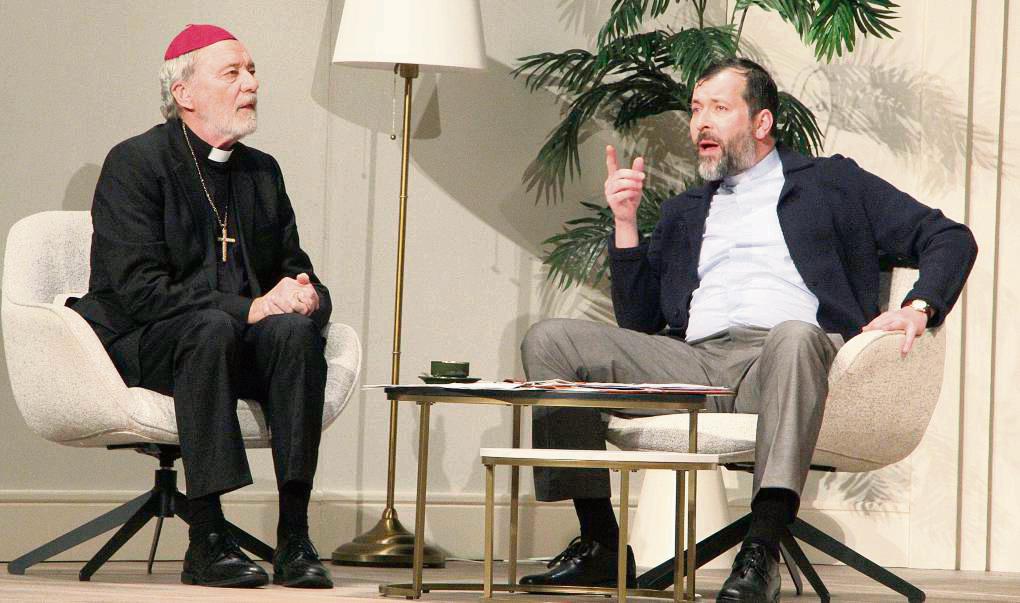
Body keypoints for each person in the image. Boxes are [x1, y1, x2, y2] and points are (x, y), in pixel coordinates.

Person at [519, 58, 977, 602]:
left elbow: (948, 236)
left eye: (718, 108)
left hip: (785, 361)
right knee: (549, 340)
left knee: (793, 333)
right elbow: (640, 324)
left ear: (761, 122)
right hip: (696, 365)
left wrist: (920, 305)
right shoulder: (686, 211)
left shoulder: (831, 183)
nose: (700, 124)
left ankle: (762, 546)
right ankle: (600, 541)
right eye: (695, 110)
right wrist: (625, 225)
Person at [72, 24, 334, 589]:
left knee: (294, 334)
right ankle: (207, 535)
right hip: (150, 342)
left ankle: (294, 535)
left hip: (230, 341)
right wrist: (249, 309)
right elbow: (139, 290)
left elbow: (293, 263)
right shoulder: (136, 162)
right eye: (232, 73)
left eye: (252, 70)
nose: (251, 84)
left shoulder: (261, 171)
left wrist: (305, 295)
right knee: (213, 327)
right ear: (185, 93)